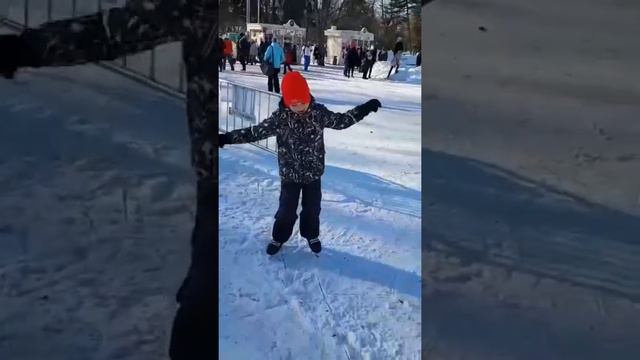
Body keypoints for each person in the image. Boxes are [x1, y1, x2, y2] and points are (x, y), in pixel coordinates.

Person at [0, 2, 217, 359]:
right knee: (202, 306)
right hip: (212, 183)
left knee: (204, 301)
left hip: (213, 182)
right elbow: (113, 29)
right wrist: (28, 47)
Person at [217, 72, 382, 255]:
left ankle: (311, 235)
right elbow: (254, 132)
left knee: (312, 209)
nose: (299, 107)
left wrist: (365, 108)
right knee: (286, 211)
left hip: (313, 174)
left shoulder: (319, 113)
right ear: (287, 101)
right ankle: (279, 237)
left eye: (302, 102)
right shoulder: (280, 119)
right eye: (294, 104)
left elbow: (342, 122)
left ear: (308, 96)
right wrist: (226, 138)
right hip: (290, 175)